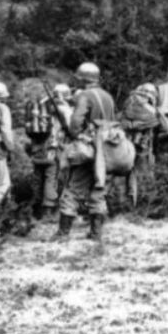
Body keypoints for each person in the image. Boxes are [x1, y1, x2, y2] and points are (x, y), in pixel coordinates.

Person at [53, 63, 115, 241]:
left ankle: (63, 233)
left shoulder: (85, 95)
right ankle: (96, 233)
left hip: (88, 149)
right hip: (106, 149)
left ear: (82, 78)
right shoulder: (107, 96)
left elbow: (75, 124)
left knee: (72, 189)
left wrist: (74, 134)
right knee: (99, 188)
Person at [26, 84, 71, 220]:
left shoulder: (40, 107)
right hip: (52, 149)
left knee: (37, 179)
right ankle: (48, 212)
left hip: (36, 149)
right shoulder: (61, 109)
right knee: (51, 179)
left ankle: (34, 210)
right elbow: (70, 126)